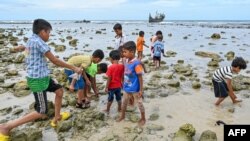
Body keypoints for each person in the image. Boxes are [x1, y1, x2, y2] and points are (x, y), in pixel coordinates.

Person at [0, 19, 82, 141]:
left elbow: (28, 51)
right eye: (49, 32)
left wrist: (20, 48)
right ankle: (6, 127)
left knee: (59, 91)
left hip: (43, 76)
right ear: (42, 31)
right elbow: (54, 60)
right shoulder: (40, 42)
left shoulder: (31, 39)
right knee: (41, 111)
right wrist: (74, 68)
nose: (49, 35)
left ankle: (57, 117)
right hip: (37, 80)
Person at [117, 41, 146, 126]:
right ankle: (122, 116)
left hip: (135, 89)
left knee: (139, 103)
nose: (123, 53)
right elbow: (124, 72)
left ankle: (143, 118)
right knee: (124, 102)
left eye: (125, 52)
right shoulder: (125, 60)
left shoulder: (136, 63)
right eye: (123, 52)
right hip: (126, 87)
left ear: (132, 52)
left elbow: (140, 77)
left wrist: (141, 90)